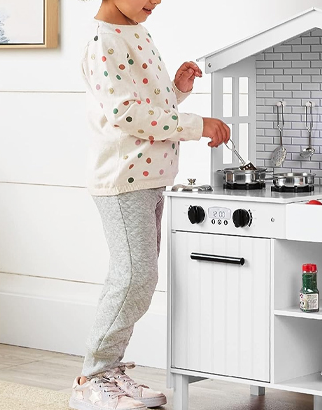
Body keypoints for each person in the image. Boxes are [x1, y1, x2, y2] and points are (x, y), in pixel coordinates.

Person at [71, 1, 230, 409]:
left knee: (139, 278)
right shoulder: (103, 40)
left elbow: (148, 106)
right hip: (124, 180)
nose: (157, 0)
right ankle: (92, 378)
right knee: (132, 278)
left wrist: (175, 89)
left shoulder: (136, 33)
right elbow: (125, 113)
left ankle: (109, 370)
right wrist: (196, 125)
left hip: (151, 179)